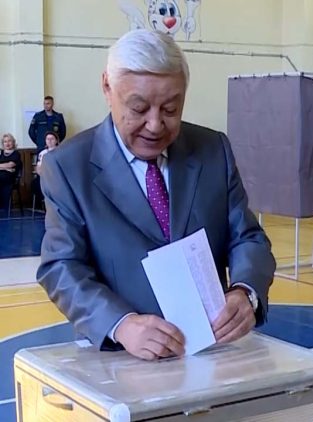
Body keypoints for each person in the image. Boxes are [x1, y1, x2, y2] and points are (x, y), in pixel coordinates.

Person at [37, 29, 276, 361]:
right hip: (120, 358)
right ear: (107, 87)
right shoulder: (68, 167)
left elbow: (247, 237)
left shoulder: (212, 150)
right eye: (138, 108)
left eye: (170, 109)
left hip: (212, 354)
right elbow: (61, 265)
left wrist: (245, 292)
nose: (154, 124)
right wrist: (121, 324)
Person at [31, 131, 60, 204]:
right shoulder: (42, 153)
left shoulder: (60, 151)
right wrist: (43, 175)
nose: (49, 141)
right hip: (44, 176)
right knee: (35, 184)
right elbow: (38, 167)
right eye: (47, 139)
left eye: (52, 139)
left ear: (56, 140)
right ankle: (44, 203)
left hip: (56, 177)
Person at [0, 133, 22, 214]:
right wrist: (6, 168)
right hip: (2, 176)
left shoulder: (16, 154)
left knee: (3, 176)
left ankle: (3, 206)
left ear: (13, 142)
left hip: (11, 177)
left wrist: (5, 167)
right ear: (3, 143)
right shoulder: (1, 153)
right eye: (5, 141)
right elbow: (8, 166)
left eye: (9, 141)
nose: (7, 143)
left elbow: (11, 165)